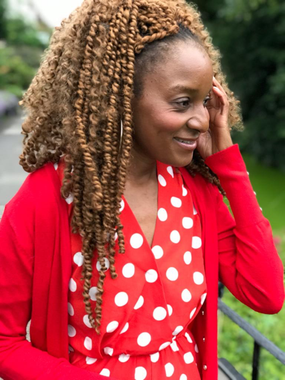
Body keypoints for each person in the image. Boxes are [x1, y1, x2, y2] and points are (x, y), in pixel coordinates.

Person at [0, 0, 284, 379]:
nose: (201, 120)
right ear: (120, 98)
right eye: (183, 102)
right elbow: (5, 342)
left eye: (205, 102)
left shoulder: (193, 190)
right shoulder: (46, 199)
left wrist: (228, 165)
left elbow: (265, 294)